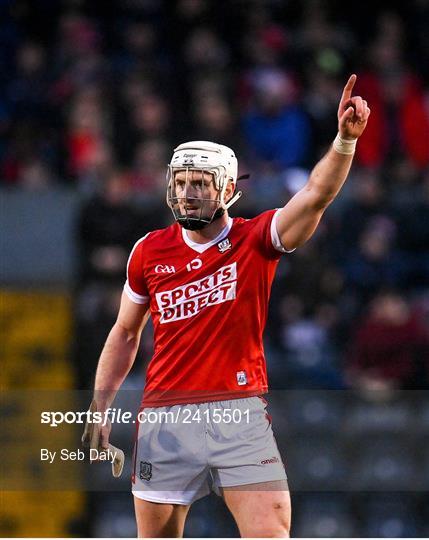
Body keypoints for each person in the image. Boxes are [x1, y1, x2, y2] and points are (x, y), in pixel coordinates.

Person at [88, 74, 370, 537]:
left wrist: (343, 141)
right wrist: (100, 407)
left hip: (238, 414)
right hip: (165, 415)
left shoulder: (256, 238)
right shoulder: (148, 251)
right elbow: (124, 333)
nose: (187, 193)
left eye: (199, 183)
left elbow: (317, 195)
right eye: (180, 183)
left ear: (226, 189)